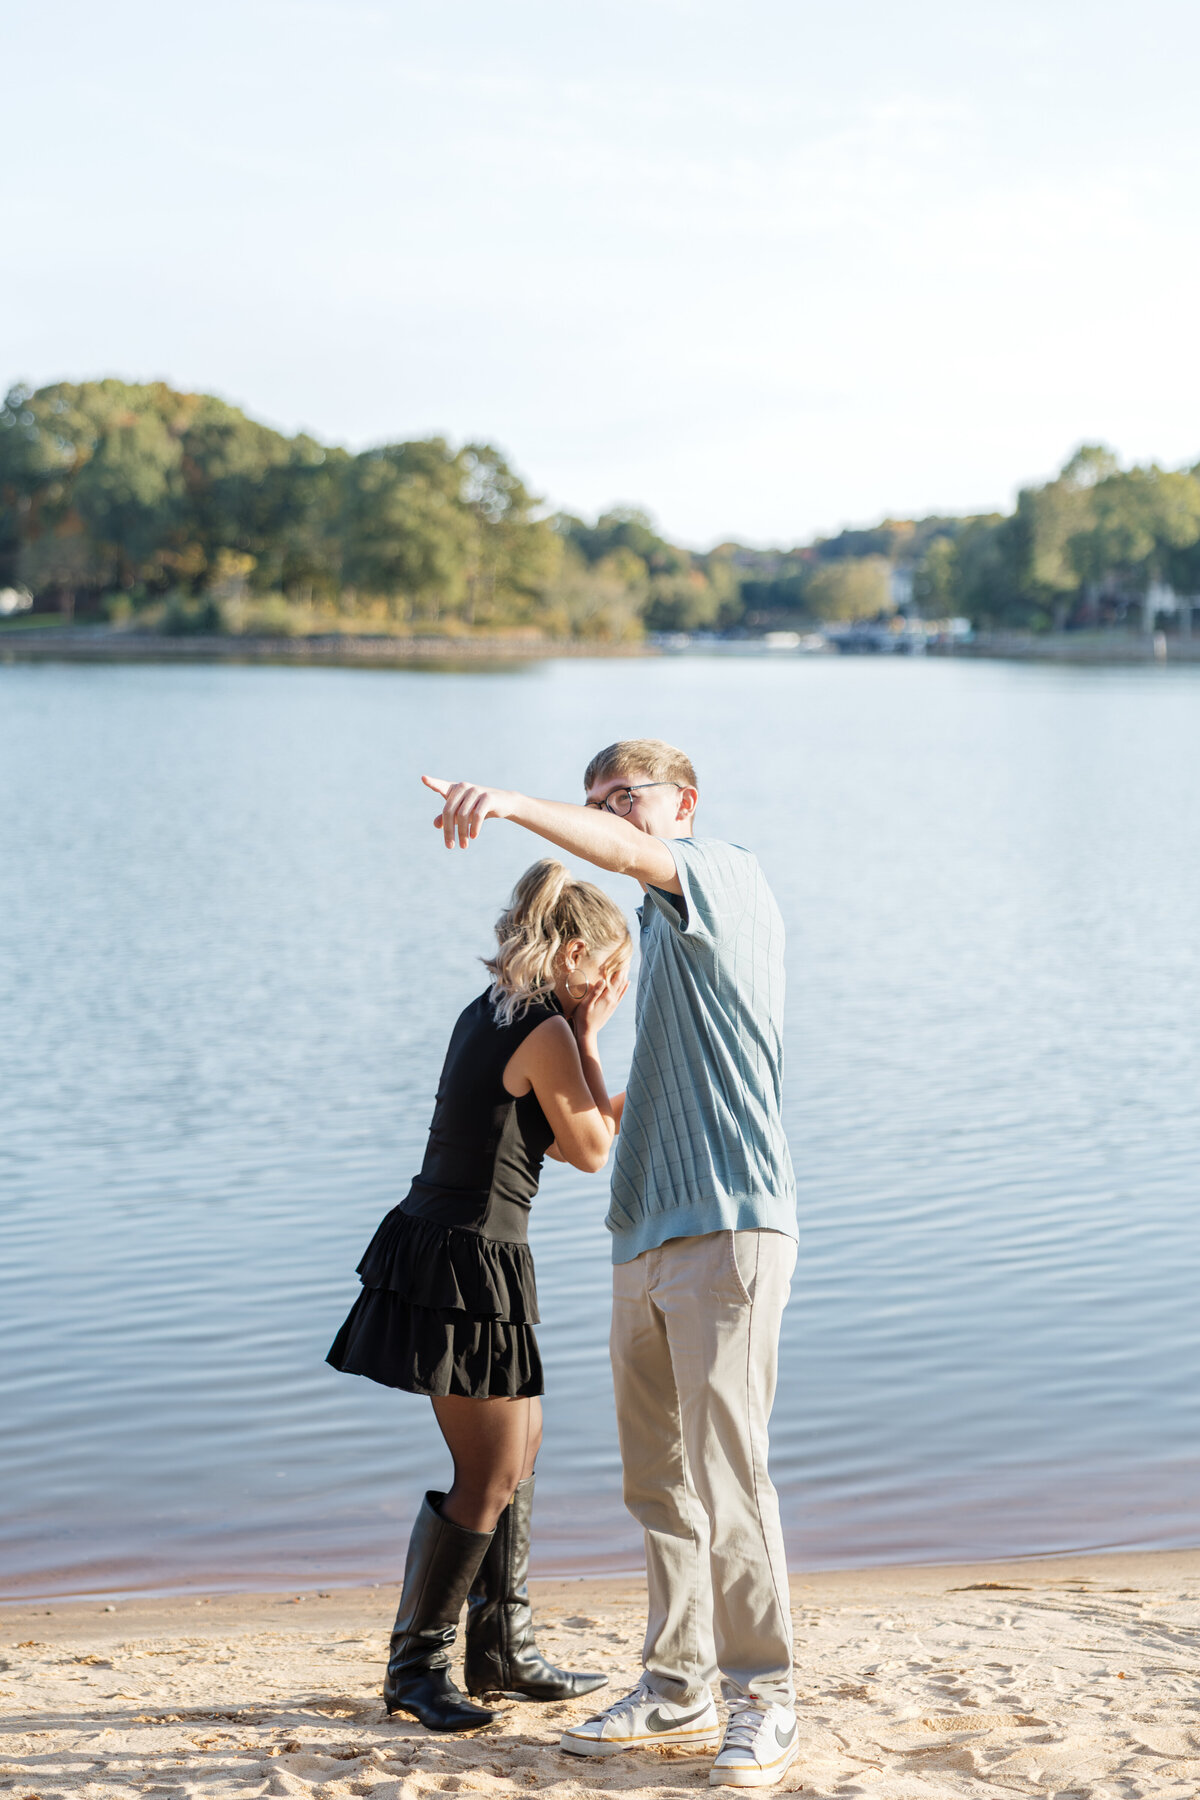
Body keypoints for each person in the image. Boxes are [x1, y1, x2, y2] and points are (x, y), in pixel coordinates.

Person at [423, 740, 799, 1788]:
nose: (613, 818)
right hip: (644, 1237)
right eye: (598, 804)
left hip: (730, 1226)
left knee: (732, 1476)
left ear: (682, 802)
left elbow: (632, 860)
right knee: (658, 1485)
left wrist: (508, 805)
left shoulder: (724, 877)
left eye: (625, 799)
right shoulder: (658, 937)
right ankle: (676, 1685)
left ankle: (764, 1700)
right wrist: (588, 1041)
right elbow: (609, 1134)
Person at [327, 859, 631, 1733]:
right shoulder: (543, 1028)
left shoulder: (490, 1009)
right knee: (489, 1473)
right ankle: (415, 1671)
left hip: (467, 1253)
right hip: (461, 1262)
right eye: (607, 967)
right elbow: (591, 1151)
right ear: (575, 954)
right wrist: (593, 1035)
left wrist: (579, 1035)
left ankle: (503, 1653)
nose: (612, 984)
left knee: (516, 1461)